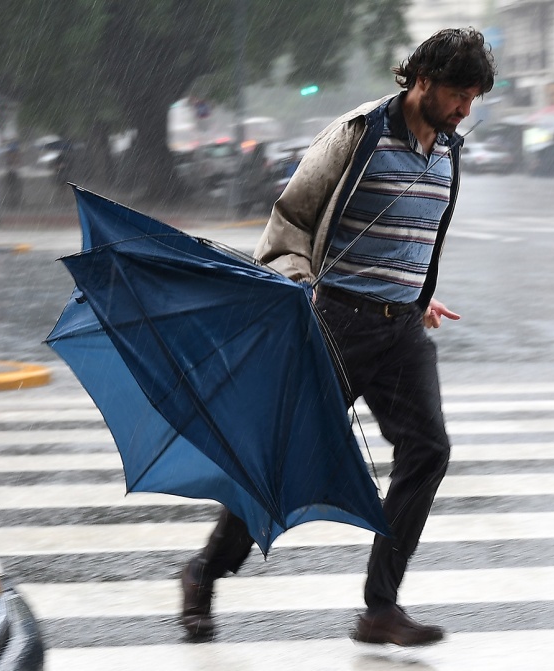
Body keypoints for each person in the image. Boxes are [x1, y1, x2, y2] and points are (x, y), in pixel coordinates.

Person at [180, 27, 495, 647]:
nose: (465, 109)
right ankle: (205, 571)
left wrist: (417, 291)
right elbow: (292, 219)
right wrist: (299, 286)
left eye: (474, 98)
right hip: (336, 323)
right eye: (458, 94)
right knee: (278, 460)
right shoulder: (358, 135)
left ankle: (380, 607)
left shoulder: (448, 148)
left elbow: (412, 232)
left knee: (428, 451)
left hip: (402, 328)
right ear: (423, 81)